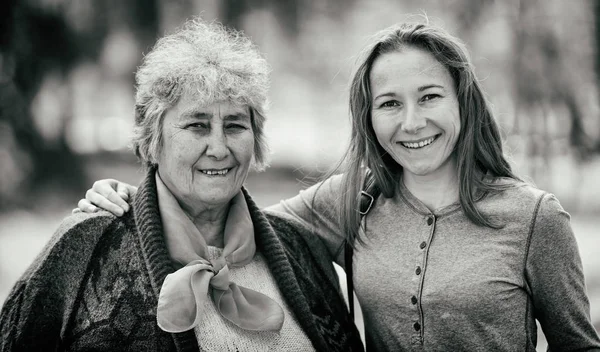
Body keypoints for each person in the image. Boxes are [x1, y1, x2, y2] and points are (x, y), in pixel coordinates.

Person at [73, 21, 600, 351]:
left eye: (430, 97)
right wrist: (134, 197)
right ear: (369, 118)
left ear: (464, 101)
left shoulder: (533, 217)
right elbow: (233, 216)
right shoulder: (352, 201)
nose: (412, 123)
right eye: (390, 104)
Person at [0, 19, 364, 352]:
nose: (219, 148)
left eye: (235, 125)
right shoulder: (88, 242)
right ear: (152, 138)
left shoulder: (300, 247)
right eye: (197, 126)